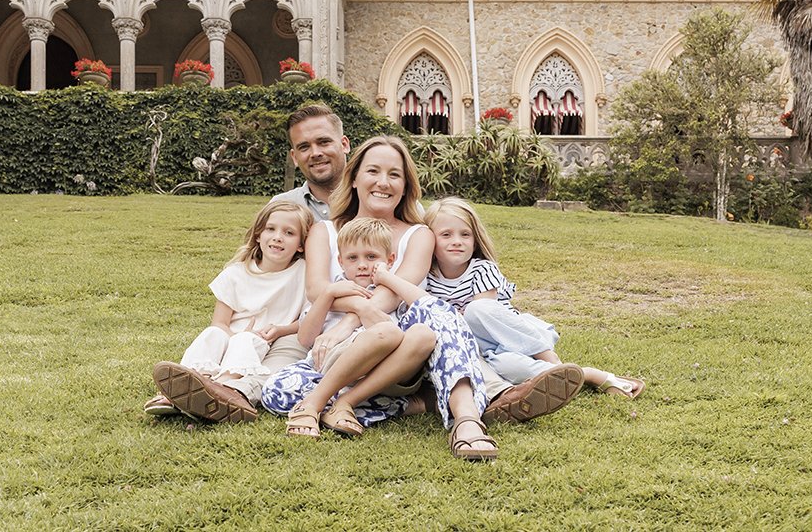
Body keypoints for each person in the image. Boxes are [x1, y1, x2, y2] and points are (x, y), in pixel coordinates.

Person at [263, 136, 579, 460]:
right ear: (354, 177)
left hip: (400, 347)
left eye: (394, 174)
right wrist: (352, 311)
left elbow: (393, 293)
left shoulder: (419, 233)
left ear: (405, 185)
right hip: (334, 351)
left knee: (433, 312)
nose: (383, 182)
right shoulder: (324, 231)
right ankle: (414, 402)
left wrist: (349, 318)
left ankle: (466, 420)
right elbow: (317, 290)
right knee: (277, 394)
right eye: (373, 171)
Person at [423, 196, 645, 398]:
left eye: (465, 234)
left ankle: (547, 356)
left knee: (476, 309)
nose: (457, 241)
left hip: (511, 336)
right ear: (429, 242)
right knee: (513, 369)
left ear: (475, 239)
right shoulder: (427, 277)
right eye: (446, 235)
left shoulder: (482, 269)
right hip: (485, 351)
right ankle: (585, 375)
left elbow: (484, 314)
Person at [265, 218, 437, 439]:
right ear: (341, 261)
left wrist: (379, 291)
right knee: (275, 389)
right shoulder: (335, 292)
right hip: (329, 365)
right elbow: (305, 338)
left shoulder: (393, 294)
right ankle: (347, 405)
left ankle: (326, 404)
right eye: (353, 258)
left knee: (413, 333)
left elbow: (411, 325)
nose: (363, 265)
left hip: (376, 373)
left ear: (390, 260)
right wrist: (328, 295)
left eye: (372, 257)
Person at [150, 201, 314, 423]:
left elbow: (306, 318)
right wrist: (229, 337)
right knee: (212, 334)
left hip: (262, 339)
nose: (277, 237)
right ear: (258, 235)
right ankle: (185, 383)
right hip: (231, 335)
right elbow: (220, 322)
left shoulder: (303, 272)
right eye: (271, 229)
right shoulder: (237, 273)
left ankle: (220, 389)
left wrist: (281, 330)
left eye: (289, 233)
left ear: (301, 245)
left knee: (245, 339)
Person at [271, 103, 349, 222]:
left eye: (323, 142)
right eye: (304, 147)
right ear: (295, 157)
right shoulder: (279, 209)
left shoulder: (376, 201)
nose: (315, 153)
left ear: (344, 145)